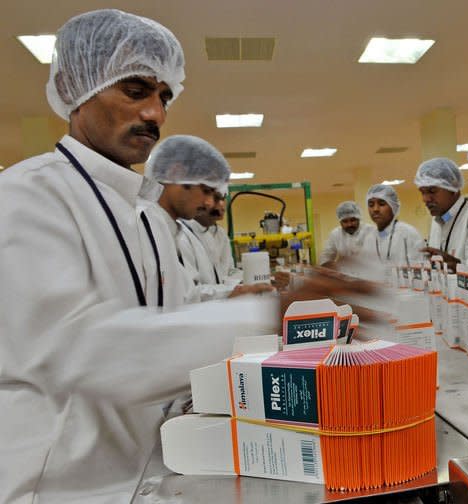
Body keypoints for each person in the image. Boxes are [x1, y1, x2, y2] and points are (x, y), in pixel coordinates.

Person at [0, 10, 283, 502]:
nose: (155, 114)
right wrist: (264, 315)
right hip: (57, 487)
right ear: (75, 88)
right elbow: (82, 351)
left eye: (163, 96)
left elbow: (167, 318)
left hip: (147, 470)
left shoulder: (145, 214)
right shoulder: (26, 196)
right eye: (134, 91)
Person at [144, 134, 261, 300]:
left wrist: (236, 291)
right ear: (176, 173)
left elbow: (186, 296)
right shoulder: (144, 227)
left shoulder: (167, 229)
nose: (209, 203)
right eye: (206, 190)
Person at [414, 157, 468, 271]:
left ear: (453, 188)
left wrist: (457, 265)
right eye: (422, 192)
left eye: (432, 191)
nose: (425, 199)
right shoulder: (437, 222)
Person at [362, 184, 424, 267]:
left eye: (381, 204)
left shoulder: (408, 233)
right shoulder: (369, 239)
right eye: (371, 205)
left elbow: (422, 268)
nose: (375, 209)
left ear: (393, 206)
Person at [187, 192, 239, 280]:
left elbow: (229, 268)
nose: (220, 213)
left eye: (222, 210)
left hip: (221, 287)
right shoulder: (186, 234)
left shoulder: (219, 233)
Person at [319, 201, 375, 266]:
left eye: (353, 220)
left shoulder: (371, 231)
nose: (349, 224)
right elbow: (326, 256)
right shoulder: (336, 234)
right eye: (345, 221)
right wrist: (331, 265)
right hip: (344, 273)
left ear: (359, 218)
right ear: (340, 221)